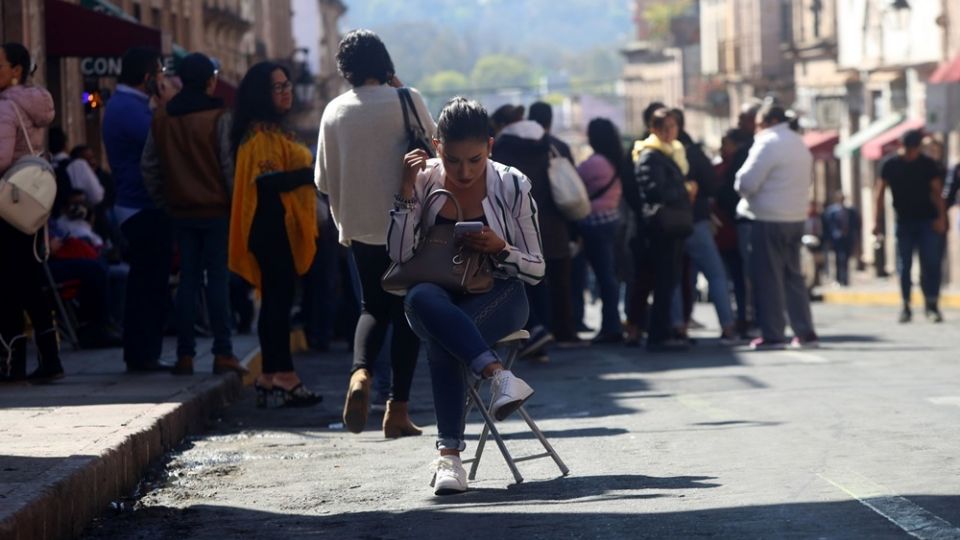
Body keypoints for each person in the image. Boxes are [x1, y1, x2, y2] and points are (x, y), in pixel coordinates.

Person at [392, 97, 542, 495]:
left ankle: (450, 459)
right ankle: (498, 375)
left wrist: (500, 248)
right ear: (438, 147)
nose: (464, 171)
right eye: (454, 160)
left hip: (501, 296)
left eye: (475, 160)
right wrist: (406, 192)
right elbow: (400, 256)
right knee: (421, 298)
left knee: (446, 340)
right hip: (437, 297)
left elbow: (537, 268)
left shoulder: (512, 183)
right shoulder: (422, 180)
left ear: (490, 147)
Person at [316, 29, 434, 437]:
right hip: (407, 225)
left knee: (371, 307)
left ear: (345, 68)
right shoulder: (407, 99)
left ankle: (360, 372)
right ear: (383, 61)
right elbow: (435, 153)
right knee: (407, 313)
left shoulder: (333, 111)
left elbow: (323, 181)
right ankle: (397, 411)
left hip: (360, 227)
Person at [141, 52, 245, 377]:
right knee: (217, 280)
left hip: (180, 211)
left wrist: (166, 201)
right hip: (216, 210)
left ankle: (184, 356)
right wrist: (235, 205)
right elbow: (229, 167)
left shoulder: (162, 118)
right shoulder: (219, 117)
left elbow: (149, 167)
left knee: (187, 280)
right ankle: (223, 352)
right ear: (211, 81)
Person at [228, 61, 321, 406]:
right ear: (261, 94)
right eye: (277, 87)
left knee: (276, 302)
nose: (286, 93)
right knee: (279, 302)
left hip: (274, 227)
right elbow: (267, 184)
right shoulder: (261, 135)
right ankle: (284, 375)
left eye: (287, 86)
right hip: (271, 227)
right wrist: (312, 174)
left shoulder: (269, 131)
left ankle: (270, 375)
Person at [102, 47, 174, 372]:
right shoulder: (130, 108)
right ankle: (143, 353)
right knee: (149, 285)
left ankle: (143, 352)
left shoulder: (126, 104)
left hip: (137, 205)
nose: (161, 81)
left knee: (148, 283)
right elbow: (164, 139)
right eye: (158, 75)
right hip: (140, 206)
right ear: (147, 78)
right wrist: (164, 103)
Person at [0, 42, 62, 383]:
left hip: (7, 208)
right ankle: (48, 357)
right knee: (29, 282)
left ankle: (16, 361)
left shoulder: (6, 108)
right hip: (30, 206)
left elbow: (1, 159)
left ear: (16, 71)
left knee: (11, 285)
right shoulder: (34, 104)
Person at [735, 103, 818, 349]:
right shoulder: (798, 143)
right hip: (795, 218)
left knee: (769, 277)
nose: (756, 128)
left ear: (769, 121)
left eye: (758, 122)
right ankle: (805, 331)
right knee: (794, 277)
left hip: (769, 218)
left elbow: (746, 182)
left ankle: (773, 333)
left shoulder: (767, 142)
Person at [492, 104, 570, 359]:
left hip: (516, 221)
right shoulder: (548, 143)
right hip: (551, 221)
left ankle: (533, 332)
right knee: (541, 278)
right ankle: (542, 333)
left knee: (520, 278)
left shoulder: (501, 148)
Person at [625, 108, 693, 352]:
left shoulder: (672, 153)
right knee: (663, 280)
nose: (669, 132)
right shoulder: (649, 155)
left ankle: (661, 331)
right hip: (660, 227)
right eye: (664, 128)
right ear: (654, 129)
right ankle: (658, 333)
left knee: (670, 279)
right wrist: (684, 190)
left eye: (673, 127)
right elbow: (655, 191)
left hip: (673, 227)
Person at [670, 108, 737, 343]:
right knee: (715, 275)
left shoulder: (658, 152)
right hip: (696, 221)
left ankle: (679, 325)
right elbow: (713, 185)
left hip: (673, 224)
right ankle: (727, 326)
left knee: (677, 277)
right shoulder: (692, 153)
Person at [875, 129, 947, 323]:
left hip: (927, 220)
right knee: (904, 265)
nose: (913, 152)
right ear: (903, 147)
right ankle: (906, 305)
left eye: (916, 148)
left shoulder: (927, 164)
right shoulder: (890, 165)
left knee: (930, 264)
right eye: (910, 149)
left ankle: (931, 305)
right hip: (904, 222)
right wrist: (877, 222)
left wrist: (941, 218)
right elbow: (880, 194)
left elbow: (937, 193)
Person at [528, 101, 583, 345]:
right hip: (557, 225)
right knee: (561, 283)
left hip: (528, 225)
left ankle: (538, 328)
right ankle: (565, 331)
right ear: (550, 121)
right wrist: (574, 231)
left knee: (533, 281)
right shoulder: (558, 147)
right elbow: (571, 191)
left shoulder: (520, 148)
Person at [574, 118, 626, 343]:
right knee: (609, 275)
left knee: (603, 277)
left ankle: (610, 326)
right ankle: (612, 323)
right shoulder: (616, 160)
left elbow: (573, 183)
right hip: (613, 220)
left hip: (593, 224)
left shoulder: (595, 163)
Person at [821, 191, 860, 286]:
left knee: (845, 259)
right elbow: (826, 226)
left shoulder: (851, 211)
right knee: (837, 259)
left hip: (847, 239)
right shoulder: (830, 211)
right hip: (836, 239)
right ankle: (838, 279)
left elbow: (856, 225)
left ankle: (845, 279)